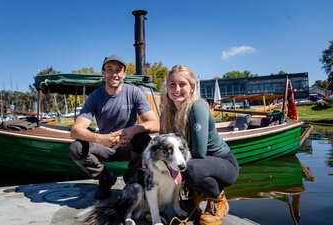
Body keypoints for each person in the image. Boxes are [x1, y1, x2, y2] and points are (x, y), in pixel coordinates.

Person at [69, 54, 159, 200]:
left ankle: (131, 177)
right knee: (76, 148)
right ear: (103, 73)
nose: (114, 74)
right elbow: (75, 131)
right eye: (109, 69)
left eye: (118, 70)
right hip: (105, 146)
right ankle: (105, 178)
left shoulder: (134, 92)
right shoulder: (95, 96)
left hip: (129, 145)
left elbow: (155, 123)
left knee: (145, 139)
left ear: (124, 74)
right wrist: (102, 139)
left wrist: (132, 130)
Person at [160, 65, 239, 225]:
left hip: (224, 164)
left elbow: (199, 152)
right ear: (167, 87)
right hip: (201, 163)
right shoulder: (167, 112)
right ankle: (196, 195)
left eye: (182, 84)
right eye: (172, 84)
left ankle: (218, 200)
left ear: (192, 87)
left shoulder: (197, 107)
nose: (177, 89)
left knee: (189, 168)